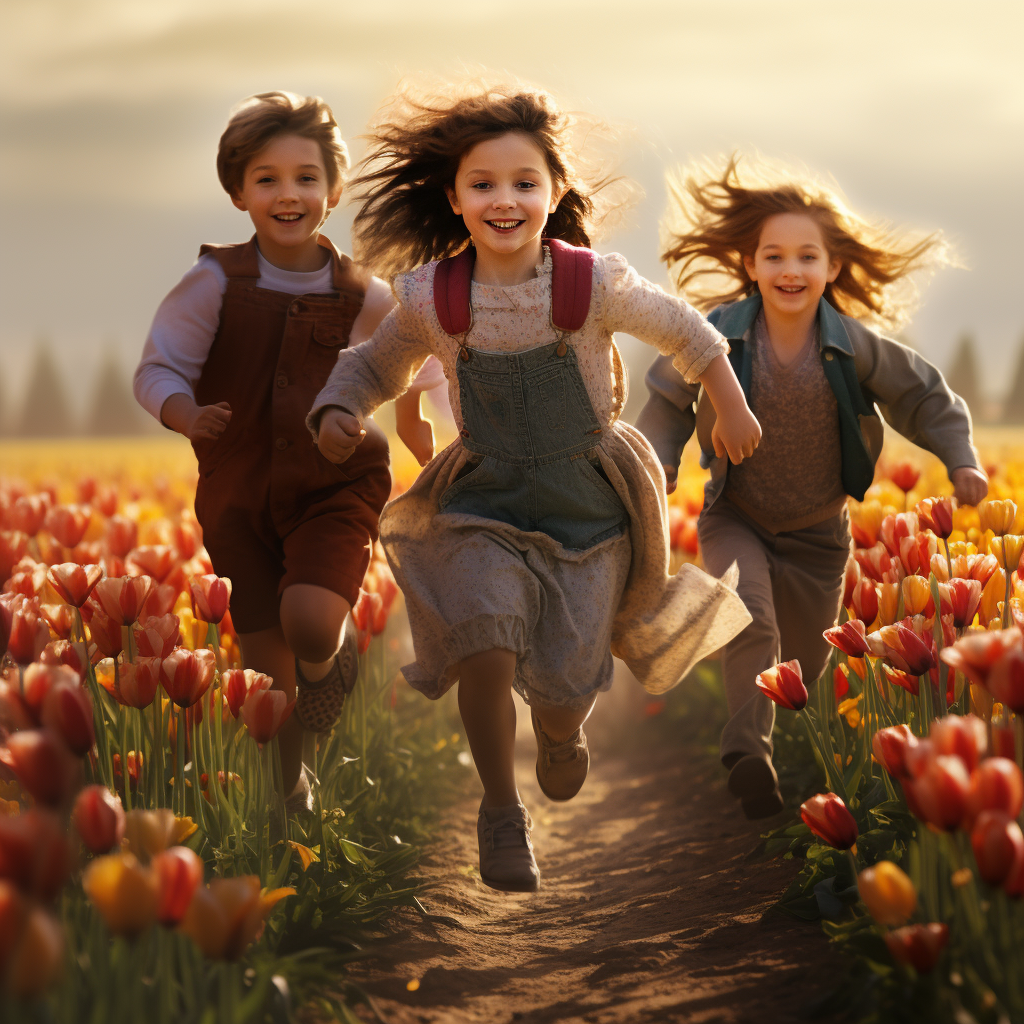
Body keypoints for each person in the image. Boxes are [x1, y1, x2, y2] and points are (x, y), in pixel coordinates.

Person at [307, 84, 759, 892]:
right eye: (483, 183)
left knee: (562, 687)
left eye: (525, 182)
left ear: (555, 194)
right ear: (454, 199)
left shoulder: (591, 285)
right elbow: (375, 364)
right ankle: (500, 810)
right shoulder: (431, 298)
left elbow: (690, 333)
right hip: (482, 500)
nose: (504, 199)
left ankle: (558, 731)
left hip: (588, 504)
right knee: (484, 635)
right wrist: (340, 406)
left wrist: (729, 402)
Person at [635, 155, 988, 819]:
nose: (790, 270)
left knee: (802, 664)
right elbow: (664, 401)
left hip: (821, 535)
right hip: (735, 514)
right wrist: (655, 463)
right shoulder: (716, 335)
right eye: (774, 256)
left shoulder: (853, 344)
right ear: (750, 264)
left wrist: (961, 458)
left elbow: (925, 397)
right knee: (752, 624)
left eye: (806, 257)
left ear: (832, 268)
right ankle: (747, 756)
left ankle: (774, 740)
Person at [133, 92, 394, 802]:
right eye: (268, 178)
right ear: (239, 191)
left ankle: (328, 666)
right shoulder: (213, 281)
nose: (289, 194)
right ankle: (288, 795)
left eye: (307, 177)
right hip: (239, 492)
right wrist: (185, 412)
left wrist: (421, 419)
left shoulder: (361, 293)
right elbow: (158, 368)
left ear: (333, 191)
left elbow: (415, 358)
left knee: (310, 625)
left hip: (334, 483)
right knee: (264, 667)